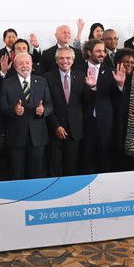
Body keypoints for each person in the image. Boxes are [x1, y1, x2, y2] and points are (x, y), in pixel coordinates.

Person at [0, 52, 52, 179]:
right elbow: (1, 107)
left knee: (36, 175)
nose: (24, 66)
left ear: (32, 64)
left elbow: (50, 104)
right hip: (16, 137)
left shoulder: (42, 81)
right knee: (17, 174)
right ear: (15, 66)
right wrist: (13, 110)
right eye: (20, 63)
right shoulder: (7, 83)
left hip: (38, 137)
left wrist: (43, 110)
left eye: (27, 62)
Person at [82, 39, 123, 174]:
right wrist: (91, 87)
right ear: (89, 52)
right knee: (86, 158)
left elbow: (116, 97)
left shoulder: (111, 71)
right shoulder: (78, 70)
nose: (102, 54)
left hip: (105, 121)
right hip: (84, 122)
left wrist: (120, 85)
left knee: (105, 158)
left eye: (104, 51)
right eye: (98, 51)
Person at [44, 47, 86, 176]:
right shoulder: (47, 78)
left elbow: (86, 103)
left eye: (68, 58)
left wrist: (91, 87)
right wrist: (56, 126)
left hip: (75, 130)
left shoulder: (81, 76)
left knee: (72, 168)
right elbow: (46, 104)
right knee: (55, 167)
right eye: (61, 58)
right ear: (56, 60)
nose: (65, 61)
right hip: (54, 130)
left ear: (73, 60)